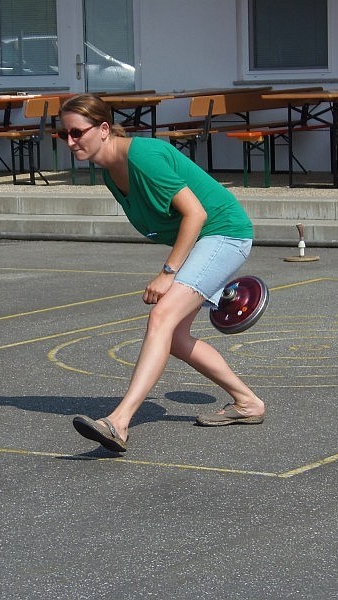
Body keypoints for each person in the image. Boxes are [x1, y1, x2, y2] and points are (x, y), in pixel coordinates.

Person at [60, 94, 265, 453]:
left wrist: (168, 272)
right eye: (64, 134)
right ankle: (247, 403)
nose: (70, 141)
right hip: (205, 240)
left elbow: (196, 214)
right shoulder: (111, 172)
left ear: (104, 129)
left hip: (225, 233)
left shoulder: (143, 156)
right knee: (175, 337)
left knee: (161, 318)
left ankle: (118, 422)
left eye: (77, 132)